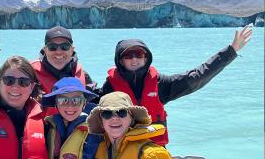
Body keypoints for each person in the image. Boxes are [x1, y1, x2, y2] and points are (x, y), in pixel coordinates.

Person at [100, 26, 253, 146]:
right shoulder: (110, 87)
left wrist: (231, 51)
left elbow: (197, 77)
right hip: (120, 150)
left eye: (139, 54)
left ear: (146, 58)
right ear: (120, 60)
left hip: (155, 150)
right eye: (128, 55)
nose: (134, 59)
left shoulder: (161, 83)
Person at [0, 26, 96, 111]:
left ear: (72, 50)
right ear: (45, 49)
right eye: (52, 47)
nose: (59, 52)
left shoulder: (83, 76)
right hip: (38, 138)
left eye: (64, 47)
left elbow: (99, 104)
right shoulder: (29, 74)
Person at [87, 91, 172, 159]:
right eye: (107, 114)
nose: (115, 118)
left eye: (122, 112)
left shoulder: (151, 154)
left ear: (131, 118)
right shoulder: (98, 150)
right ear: (101, 121)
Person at [41, 77, 100, 159]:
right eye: (63, 100)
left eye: (76, 100)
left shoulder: (95, 132)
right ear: (55, 104)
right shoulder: (46, 127)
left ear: (84, 103)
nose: (70, 105)